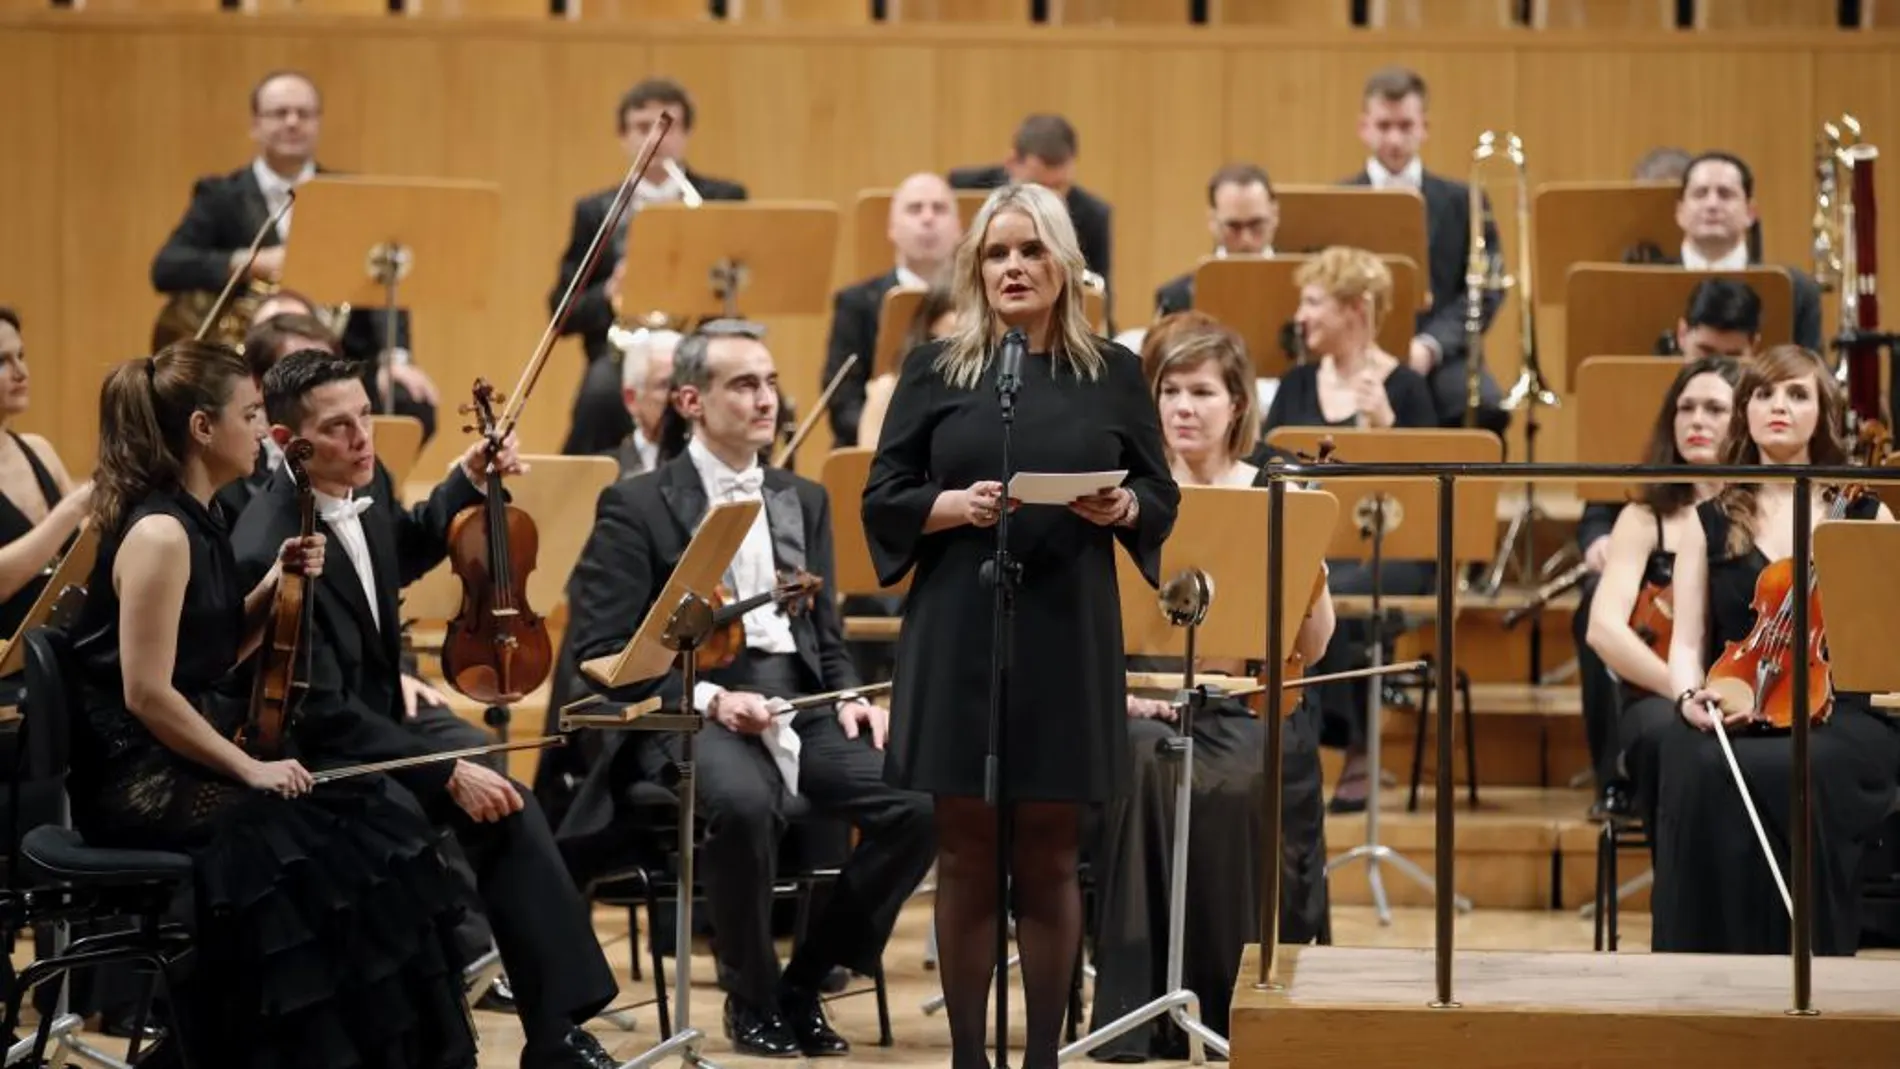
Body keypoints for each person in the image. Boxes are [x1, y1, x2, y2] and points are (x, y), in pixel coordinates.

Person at [65, 340, 477, 1067]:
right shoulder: (160, 533)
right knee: (310, 853)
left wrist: (273, 588)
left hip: (186, 756)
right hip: (139, 776)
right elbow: (147, 693)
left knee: (379, 825)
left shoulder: (204, 517)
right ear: (202, 428)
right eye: (252, 413)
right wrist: (250, 768)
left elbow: (213, 652)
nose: (265, 430)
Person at [230, 350, 622, 1068]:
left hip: (380, 723)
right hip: (321, 758)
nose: (361, 437)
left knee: (514, 803)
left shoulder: (360, 478)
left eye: (364, 417)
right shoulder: (271, 539)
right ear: (288, 443)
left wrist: (465, 481)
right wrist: (443, 772)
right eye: (339, 426)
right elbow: (318, 712)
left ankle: (557, 1029)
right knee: (456, 805)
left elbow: (399, 546)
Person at [863, 182, 1178, 1069]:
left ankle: (1041, 1057)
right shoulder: (936, 369)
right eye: (997, 253)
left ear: (1064, 266)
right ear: (975, 268)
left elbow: (1161, 490)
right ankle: (969, 1058)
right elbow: (883, 498)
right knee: (964, 852)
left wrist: (1124, 507)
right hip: (958, 626)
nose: (1013, 267)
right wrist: (953, 506)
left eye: (1031, 251)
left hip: (1065, 625)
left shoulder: (1111, 370)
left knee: (1048, 850)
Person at [561, 320, 936, 1058]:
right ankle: (752, 998)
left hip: (797, 698)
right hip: (689, 707)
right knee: (740, 800)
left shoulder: (803, 497)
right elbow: (599, 650)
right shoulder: (636, 504)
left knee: (921, 801)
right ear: (692, 400)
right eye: (744, 384)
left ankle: (807, 979)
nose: (766, 399)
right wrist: (708, 698)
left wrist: (850, 694)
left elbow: (823, 629)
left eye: (769, 382)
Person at [1087, 313, 1332, 1059]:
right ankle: (1142, 1010)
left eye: (1201, 391)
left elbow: (1315, 648)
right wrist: (1123, 692)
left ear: (1237, 405)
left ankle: (1236, 1000)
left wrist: (1307, 574)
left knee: (1236, 775)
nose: (1183, 406)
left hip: (1246, 701)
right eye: (1169, 390)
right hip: (1137, 701)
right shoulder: (1127, 495)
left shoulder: (1273, 488)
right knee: (1150, 759)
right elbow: (1096, 623)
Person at [1656, 345, 1900, 954]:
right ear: (1746, 411)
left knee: (1803, 767)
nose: (1778, 407)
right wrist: (1691, 697)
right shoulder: (1707, 520)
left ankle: (1809, 965)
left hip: (1843, 709)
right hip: (1738, 698)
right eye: (1764, 394)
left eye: (1797, 395)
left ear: (1825, 411)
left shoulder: (1867, 514)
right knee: (1696, 766)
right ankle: (1703, 974)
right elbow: (1687, 641)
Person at [1261, 246, 1437, 813]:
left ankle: (1358, 746)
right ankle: (1291, 741)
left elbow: (1431, 497)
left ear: (1355, 309)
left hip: (1393, 551)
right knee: (1306, 579)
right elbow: (1265, 466)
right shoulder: (1296, 385)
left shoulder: (1405, 388)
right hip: (1318, 542)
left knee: (1344, 591)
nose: (1301, 315)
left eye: (1314, 302)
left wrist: (1389, 428)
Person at [148, 70, 434, 405]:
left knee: (410, 402)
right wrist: (250, 262)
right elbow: (167, 267)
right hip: (247, 363)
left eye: (304, 113)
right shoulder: (220, 196)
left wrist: (395, 359)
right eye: (280, 113)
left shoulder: (351, 195)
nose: (293, 122)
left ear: (318, 123)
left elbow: (384, 278)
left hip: (341, 359)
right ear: (256, 124)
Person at [1581, 356, 1743, 819]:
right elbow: (1604, 630)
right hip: (1660, 697)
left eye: (1715, 409)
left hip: (1748, 689)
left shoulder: (1763, 513)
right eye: (1685, 407)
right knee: (1668, 738)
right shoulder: (1644, 515)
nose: (1696, 420)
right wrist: (1685, 693)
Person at [552, 77, 747, 456]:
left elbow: (746, 288)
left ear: (687, 133)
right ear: (623, 137)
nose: (657, 138)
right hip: (624, 352)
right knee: (599, 396)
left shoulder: (723, 199)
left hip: (704, 343)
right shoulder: (595, 211)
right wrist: (610, 292)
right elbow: (561, 312)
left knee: (755, 390)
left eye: (668, 126)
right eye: (643, 127)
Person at [1342, 66, 1505, 432]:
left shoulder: (1464, 201)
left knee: (1485, 411)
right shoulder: (1339, 199)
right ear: (1363, 127)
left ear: (1424, 128)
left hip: (1442, 354)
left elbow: (1486, 289)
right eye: (1384, 126)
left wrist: (1431, 345)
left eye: (1406, 126)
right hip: (1357, 354)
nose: (1395, 139)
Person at [823, 172, 961, 448]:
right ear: (892, 228)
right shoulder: (856, 302)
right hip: (878, 448)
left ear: (959, 227)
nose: (927, 218)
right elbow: (842, 404)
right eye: (914, 209)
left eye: (939, 208)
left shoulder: (981, 300)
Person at [1669, 151, 1821, 351]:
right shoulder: (1638, 283)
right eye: (1700, 193)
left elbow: (1812, 372)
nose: (1712, 204)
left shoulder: (1796, 289)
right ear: (1680, 211)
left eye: (1725, 194)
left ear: (1750, 212)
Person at [0, 307, 89, 638]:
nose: (20, 371)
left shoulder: (39, 449)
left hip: (63, 654)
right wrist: (74, 507)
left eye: (21, 355)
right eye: (2, 362)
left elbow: (84, 555)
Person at [1153, 163, 1279, 319]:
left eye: (1256, 224)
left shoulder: (1304, 288)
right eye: (1234, 226)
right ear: (1212, 220)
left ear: (1274, 215)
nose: (1246, 239)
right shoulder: (1177, 299)